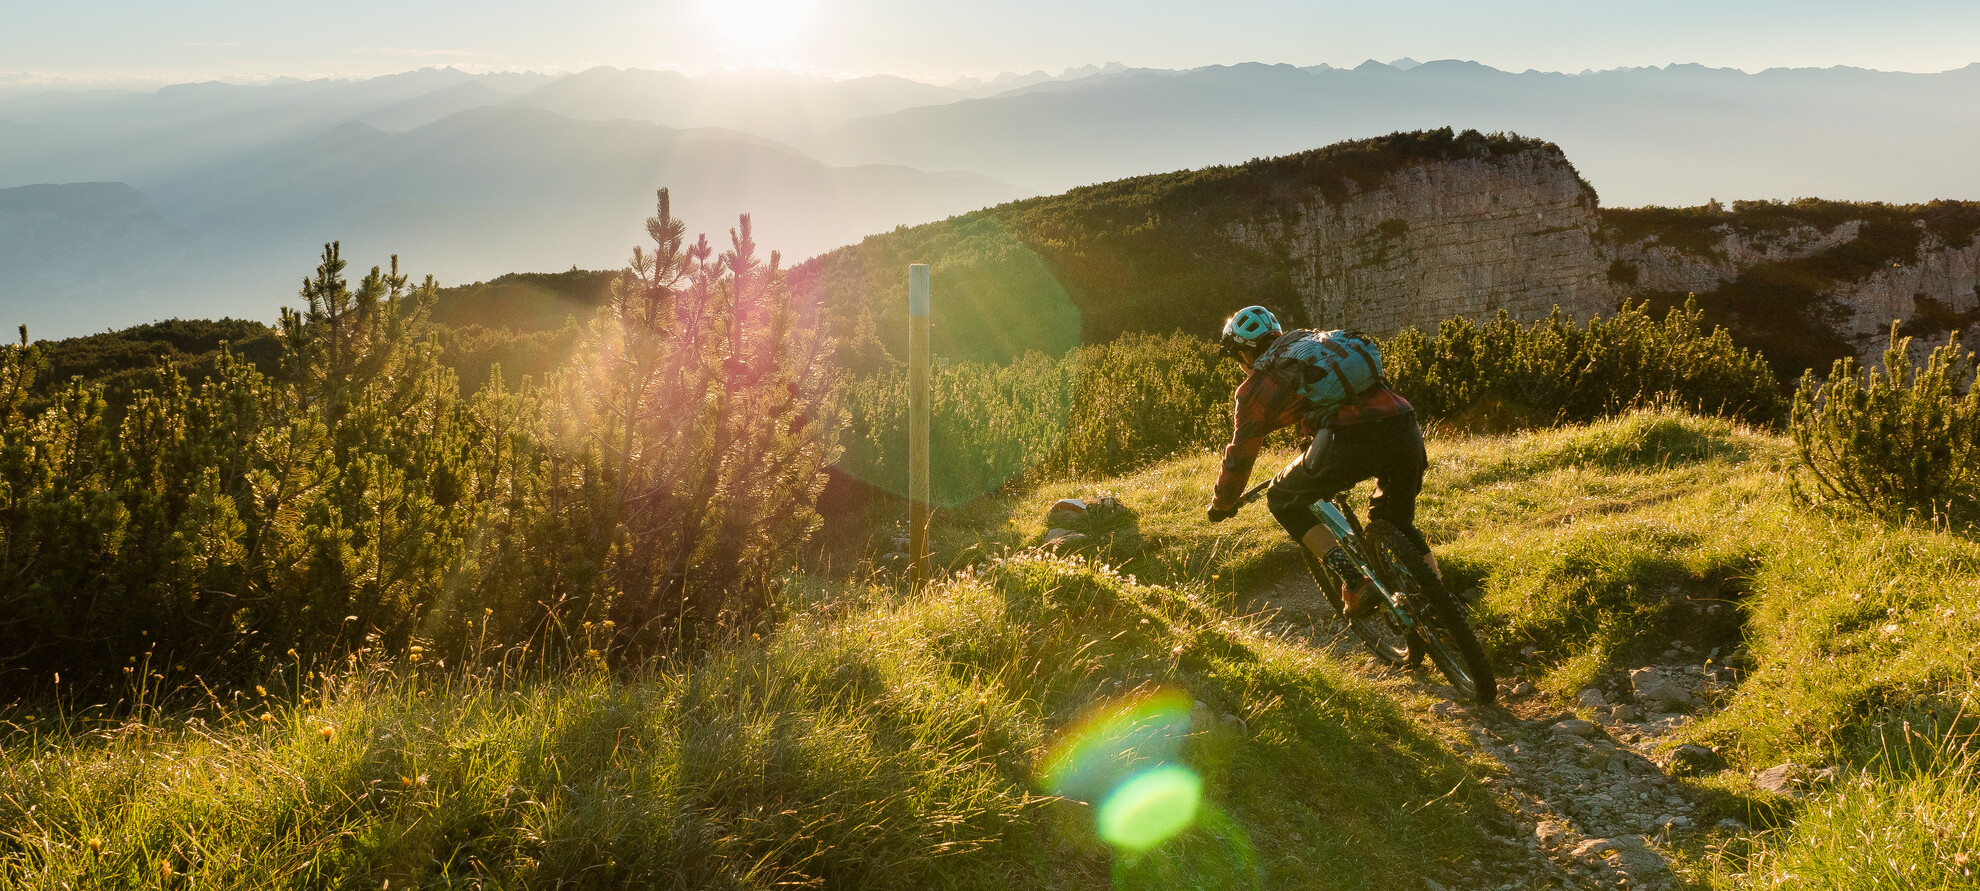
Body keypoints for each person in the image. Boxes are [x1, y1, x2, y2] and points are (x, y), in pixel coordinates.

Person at [1203, 305, 1437, 617]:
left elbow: (1241, 455)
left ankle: (1355, 582)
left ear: (1243, 355)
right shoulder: (1320, 343)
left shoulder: (1256, 388)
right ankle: (1440, 601)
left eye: (1236, 358)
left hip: (1350, 439)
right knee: (1396, 521)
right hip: (1405, 427)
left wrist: (1223, 503)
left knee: (1282, 498)